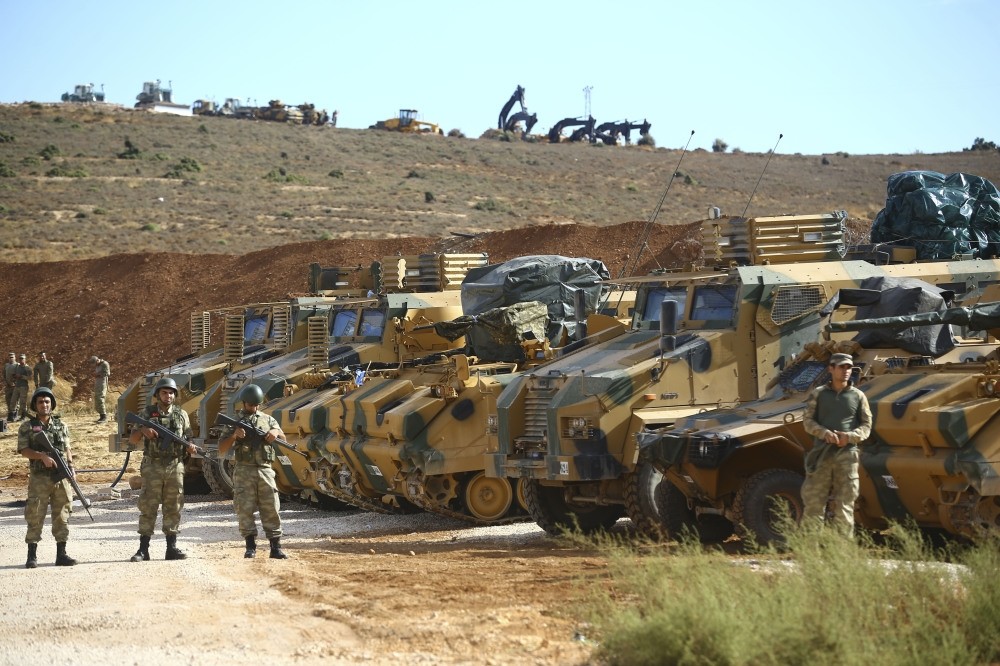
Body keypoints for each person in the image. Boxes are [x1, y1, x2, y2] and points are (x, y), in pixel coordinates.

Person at [800, 352, 873, 538]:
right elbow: (807, 421)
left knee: (845, 506)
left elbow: (866, 426)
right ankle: (810, 552)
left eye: (849, 367)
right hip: (821, 455)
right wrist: (823, 433)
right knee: (814, 505)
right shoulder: (818, 394)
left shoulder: (858, 396)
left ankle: (842, 553)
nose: (845, 371)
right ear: (831, 369)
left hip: (847, 457)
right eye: (841, 367)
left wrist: (849, 437)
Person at [126, 377, 197, 562]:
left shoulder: (181, 415)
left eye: (172, 392)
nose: (168, 396)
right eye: (164, 392)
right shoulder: (147, 414)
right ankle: (143, 550)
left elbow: (189, 438)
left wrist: (190, 446)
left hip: (175, 465)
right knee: (149, 505)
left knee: (173, 506)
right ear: (157, 395)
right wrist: (143, 430)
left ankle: (171, 548)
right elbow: (132, 440)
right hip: (153, 465)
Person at [217, 384, 289, 559]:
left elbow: (284, 438)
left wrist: (274, 432)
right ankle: (250, 546)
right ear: (244, 403)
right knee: (244, 508)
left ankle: (275, 547)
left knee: (271, 507)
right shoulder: (234, 422)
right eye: (250, 405)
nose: (254, 408)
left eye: (257, 405)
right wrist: (234, 435)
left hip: (265, 469)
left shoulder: (268, 419)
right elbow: (221, 449)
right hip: (244, 470)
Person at [17, 387, 78, 568]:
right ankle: (32, 556)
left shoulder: (61, 425)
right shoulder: (27, 427)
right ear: (35, 405)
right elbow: (23, 451)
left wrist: (71, 467)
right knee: (35, 514)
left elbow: (67, 448)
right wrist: (41, 456)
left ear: (52, 404)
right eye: (40, 402)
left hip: (60, 477)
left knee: (62, 514)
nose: (44, 404)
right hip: (39, 477)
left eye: (47, 402)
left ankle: (61, 554)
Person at [89, 355, 111, 423]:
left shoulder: (105, 364)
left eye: (95, 363)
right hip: (98, 383)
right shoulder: (98, 365)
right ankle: (101, 415)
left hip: (103, 383)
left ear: (97, 360)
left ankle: (104, 416)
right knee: (97, 398)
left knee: (100, 398)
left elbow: (107, 373)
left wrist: (97, 374)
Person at [10, 353, 32, 421]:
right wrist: (14, 377)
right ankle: (13, 416)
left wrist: (21, 376)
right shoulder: (17, 366)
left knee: (23, 402)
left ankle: (23, 416)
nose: (21, 359)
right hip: (17, 386)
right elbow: (15, 375)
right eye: (20, 358)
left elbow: (30, 378)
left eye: (22, 358)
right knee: (13, 401)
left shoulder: (27, 368)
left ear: (25, 359)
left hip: (24, 387)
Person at [4, 351, 18, 421]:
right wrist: (6, 382)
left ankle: (14, 415)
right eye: (10, 357)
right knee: (8, 400)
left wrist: (15, 383)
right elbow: (4, 374)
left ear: (15, 358)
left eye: (12, 357)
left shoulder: (17, 365)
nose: (11, 358)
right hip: (8, 386)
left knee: (14, 401)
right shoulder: (6, 365)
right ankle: (10, 415)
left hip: (15, 386)